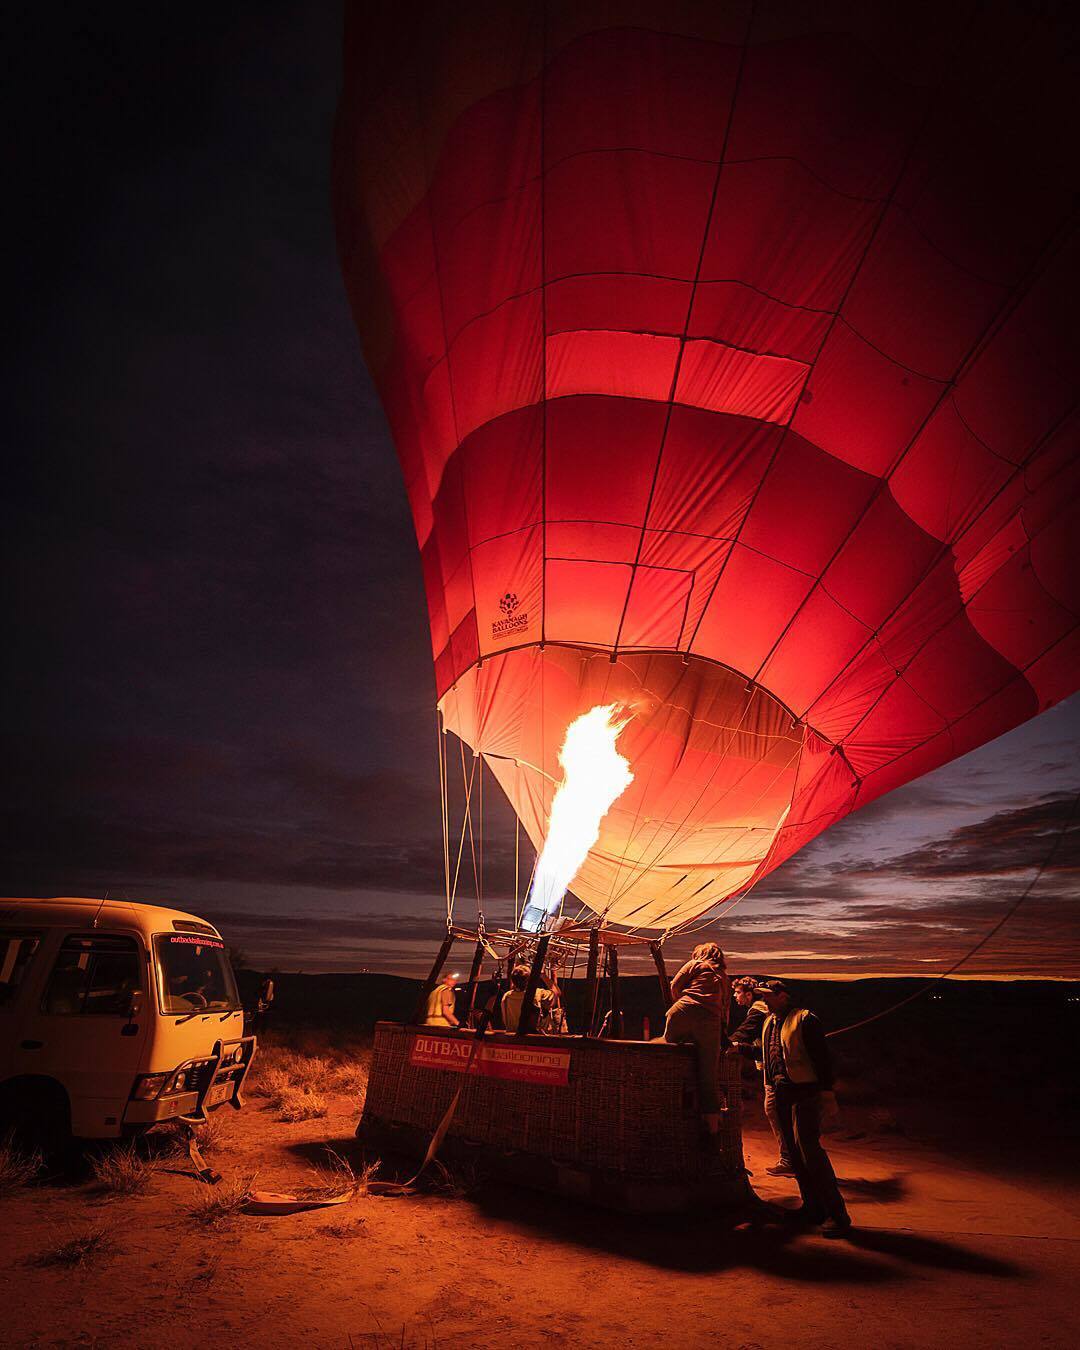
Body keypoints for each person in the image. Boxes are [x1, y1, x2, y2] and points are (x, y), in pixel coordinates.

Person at [756, 980, 851, 1237]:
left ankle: (837, 1214)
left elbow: (822, 1058)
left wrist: (827, 1092)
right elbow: (768, 1055)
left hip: (805, 1092)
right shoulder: (769, 1022)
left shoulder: (805, 1020)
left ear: (783, 996)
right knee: (796, 1156)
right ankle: (812, 1208)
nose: (764, 1000)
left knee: (809, 1151)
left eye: (768, 996)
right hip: (782, 1093)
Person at [662, 942, 731, 1146]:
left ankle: (667, 1104)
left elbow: (675, 985)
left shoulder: (695, 964)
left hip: (684, 1011)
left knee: (668, 1046)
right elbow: (725, 1007)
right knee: (708, 1073)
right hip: (710, 1020)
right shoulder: (723, 978)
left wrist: (682, 1000)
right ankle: (711, 1128)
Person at [731, 976, 794, 1177]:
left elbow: (744, 1035)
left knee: (774, 1109)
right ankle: (793, 1159)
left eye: (737, 992)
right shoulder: (764, 1011)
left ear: (748, 994)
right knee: (780, 1111)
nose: (734, 996)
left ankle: (789, 1160)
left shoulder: (758, 1011)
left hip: (775, 1069)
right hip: (775, 1068)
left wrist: (730, 1045)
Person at [500, 963, 560, 1032]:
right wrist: (543, 974)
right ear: (529, 980)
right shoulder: (537, 993)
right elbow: (557, 992)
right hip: (535, 1039)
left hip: (512, 1038)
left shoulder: (506, 996)